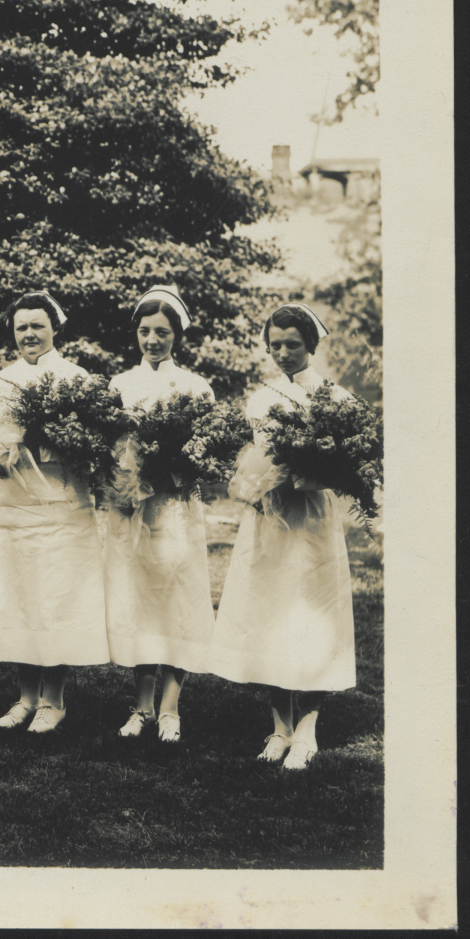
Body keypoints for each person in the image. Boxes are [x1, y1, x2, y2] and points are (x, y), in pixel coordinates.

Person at [208, 303, 357, 771]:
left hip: (311, 520)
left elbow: (349, 466)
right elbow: (250, 456)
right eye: (275, 345)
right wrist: (251, 485)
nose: (284, 353)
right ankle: (280, 725)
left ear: (311, 344)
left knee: (312, 616)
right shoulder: (261, 398)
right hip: (269, 519)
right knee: (270, 613)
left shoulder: (336, 398)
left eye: (293, 344)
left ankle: (308, 728)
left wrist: (313, 470)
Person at [0, 290, 108, 733]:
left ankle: (53, 700)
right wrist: (2, 453)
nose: (28, 334)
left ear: (54, 328)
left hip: (60, 503)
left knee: (55, 595)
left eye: (37, 326)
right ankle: (25, 697)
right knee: (19, 595)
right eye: (21, 326)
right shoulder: (3, 379)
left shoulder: (75, 377)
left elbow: (87, 443)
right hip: (13, 504)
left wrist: (45, 440)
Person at [102, 285, 216, 743]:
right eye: (146, 332)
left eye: (162, 333)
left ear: (177, 336)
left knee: (175, 599)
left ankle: (171, 708)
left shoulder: (194, 387)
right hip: (132, 509)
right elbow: (107, 447)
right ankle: (142, 706)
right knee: (138, 601)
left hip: (174, 507)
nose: (153, 340)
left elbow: (207, 456)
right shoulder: (119, 385)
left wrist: (175, 466)